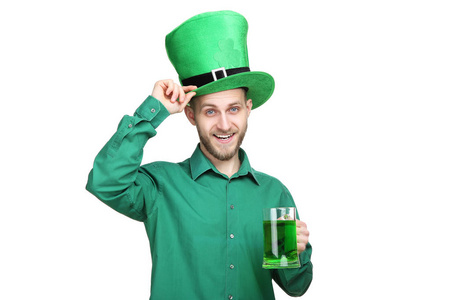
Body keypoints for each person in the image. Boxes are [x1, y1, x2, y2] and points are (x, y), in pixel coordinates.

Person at [86, 10, 313, 299]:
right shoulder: (160, 186)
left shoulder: (273, 194)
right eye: (210, 111)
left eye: (233, 109)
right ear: (191, 115)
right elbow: (105, 181)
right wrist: (153, 112)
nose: (224, 124)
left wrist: (295, 251)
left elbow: (296, 286)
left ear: (248, 109)